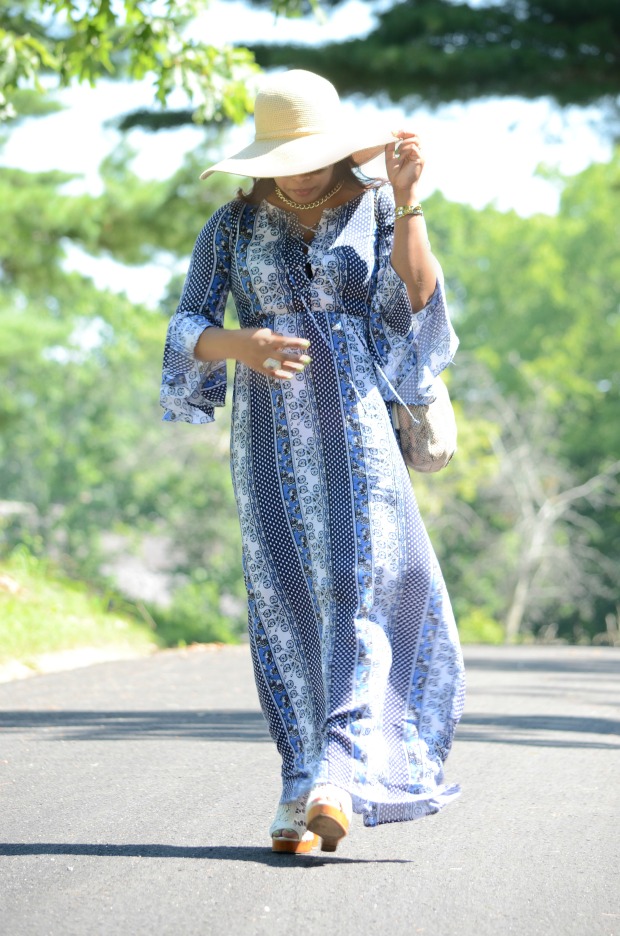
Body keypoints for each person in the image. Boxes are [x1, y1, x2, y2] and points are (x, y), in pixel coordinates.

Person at [160, 69, 465, 853]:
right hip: (264, 434)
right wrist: (243, 344)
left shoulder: (374, 206)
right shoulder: (229, 226)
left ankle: (341, 772)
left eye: (307, 151)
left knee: (363, 582)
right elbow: (187, 321)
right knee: (284, 596)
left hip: (357, 422)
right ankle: (300, 786)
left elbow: (418, 310)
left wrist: (410, 199)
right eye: (280, 154)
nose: (293, 168)